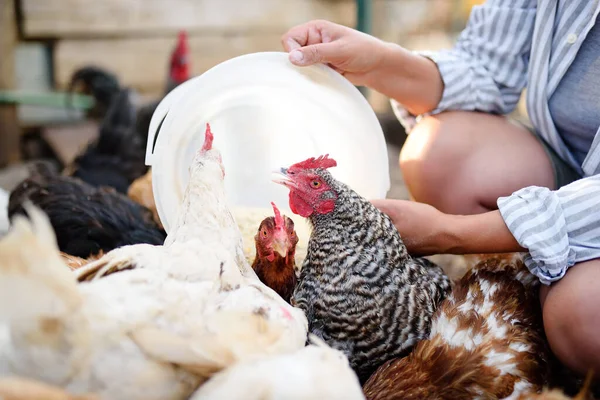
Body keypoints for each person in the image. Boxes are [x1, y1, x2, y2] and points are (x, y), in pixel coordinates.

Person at [280, 1, 600, 378]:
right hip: (573, 162)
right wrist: (377, 62)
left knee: (581, 317)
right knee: (437, 155)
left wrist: (447, 231)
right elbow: (486, 70)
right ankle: (534, 278)